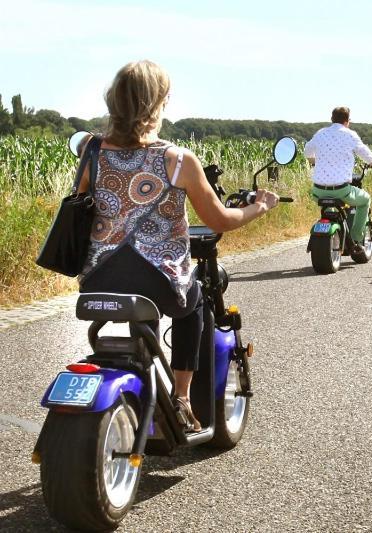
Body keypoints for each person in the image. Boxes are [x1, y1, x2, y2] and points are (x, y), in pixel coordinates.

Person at [77, 60, 281, 432]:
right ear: (158, 103)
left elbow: (82, 206)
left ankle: (144, 373)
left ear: (115, 100)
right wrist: (259, 207)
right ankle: (182, 397)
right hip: (160, 281)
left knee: (147, 290)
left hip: (98, 278)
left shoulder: (91, 152)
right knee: (195, 298)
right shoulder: (177, 160)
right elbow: (220, 220)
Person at [304, 107, 372, 254]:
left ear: (331, 119)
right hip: (341, 191)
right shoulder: (350, 135)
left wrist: (314, 160)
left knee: (329, 205)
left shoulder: (321, 133)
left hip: (317, 192)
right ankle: (356, 239)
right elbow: (364, 153)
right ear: (347, 121)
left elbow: (307, 151)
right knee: (365, 199)